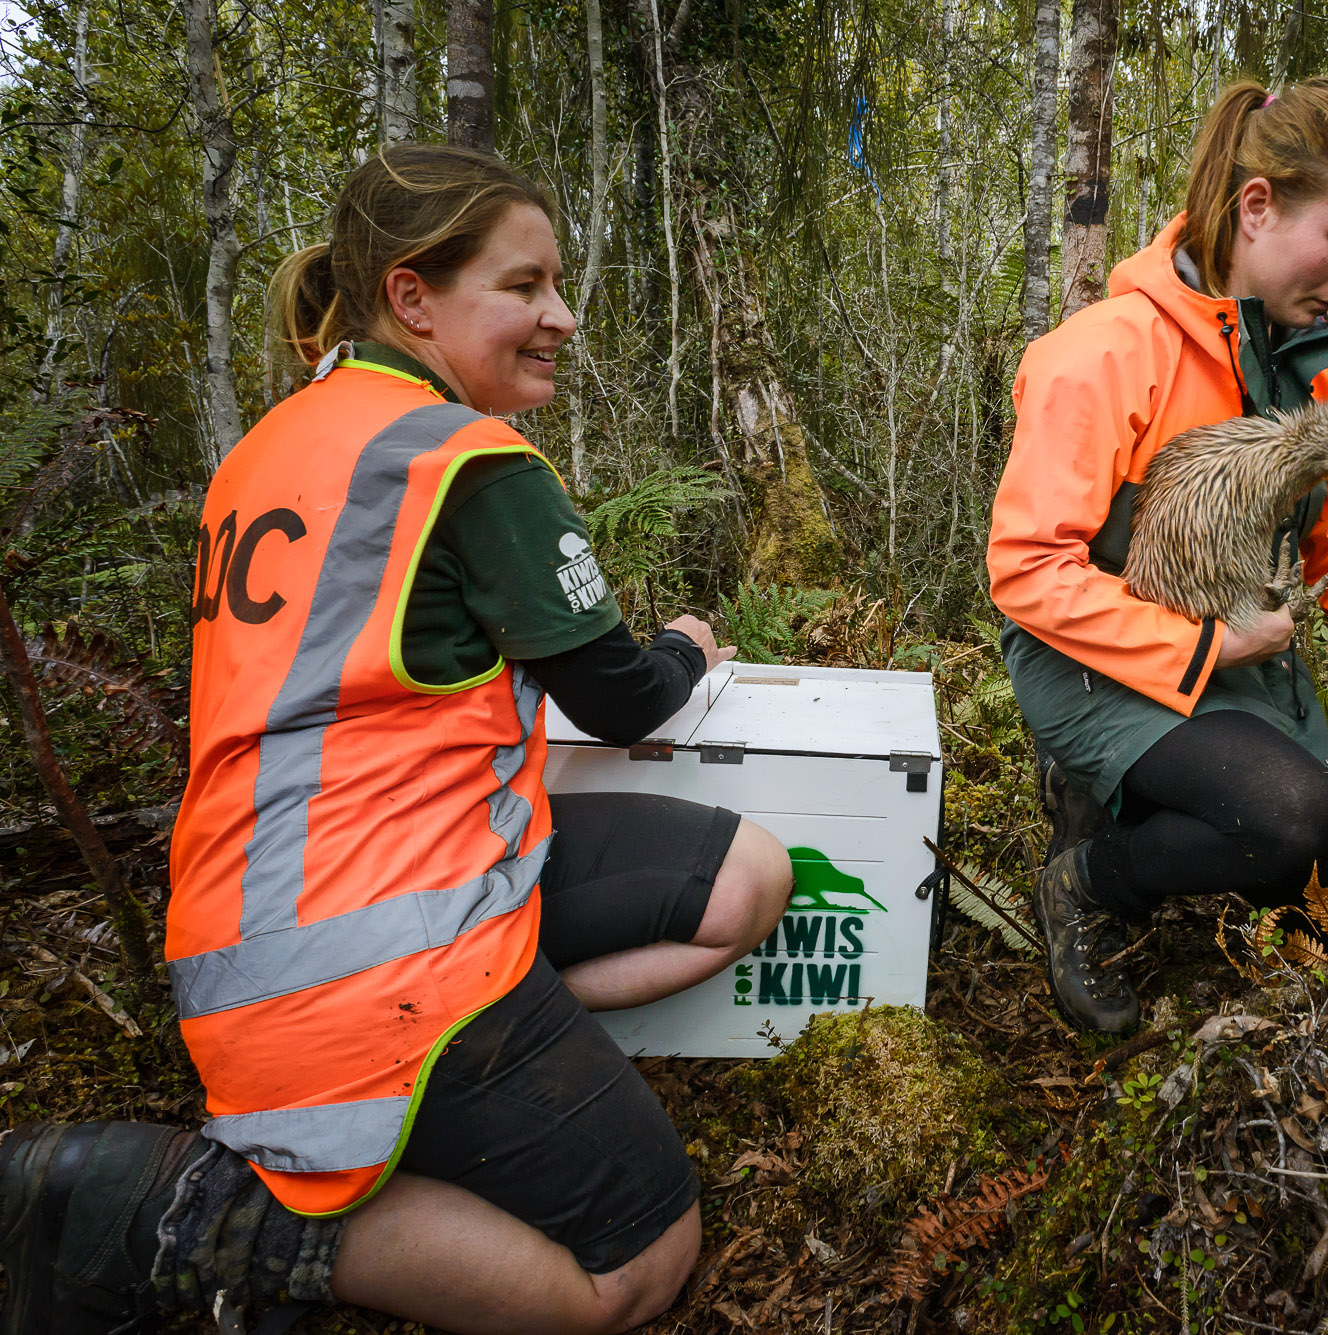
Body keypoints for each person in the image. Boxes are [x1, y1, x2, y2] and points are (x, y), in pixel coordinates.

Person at [0, 144, 793, 1335]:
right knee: (633, 1270)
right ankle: (172, 1206)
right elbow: (622, 698)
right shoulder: (461, 460)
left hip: (252, 926)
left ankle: (456, 1089)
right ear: (412, 296)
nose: (559, 317)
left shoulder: (272, 447)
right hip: (383, 956)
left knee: (745, 878)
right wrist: (688, 642)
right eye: (523, 286)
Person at [988, 78, 1328, 1035]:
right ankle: (1090, 881)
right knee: (1288, 816)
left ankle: (1157, 812)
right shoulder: (1104, 355)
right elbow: (1029, 572)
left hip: (1239, 661)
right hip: (1095, 663)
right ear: (1258, 205)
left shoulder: (1313, 364)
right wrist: (1209, 649)